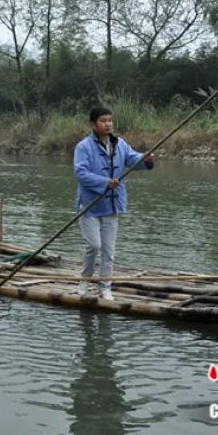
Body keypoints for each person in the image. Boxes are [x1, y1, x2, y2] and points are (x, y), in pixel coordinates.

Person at [73, 106, 155, 300]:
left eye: (110, 120)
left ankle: (105, 287)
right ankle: (85, 281)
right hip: (90, 206)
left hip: (112, 205)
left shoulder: (120, 144)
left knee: (108, 250)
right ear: (93, 124)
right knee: (94, 246)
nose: (108, 124)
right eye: (103, 120)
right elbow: (81, 174)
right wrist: (105, 183)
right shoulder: (83, 147)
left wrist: (147, 159)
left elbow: (133, 159)